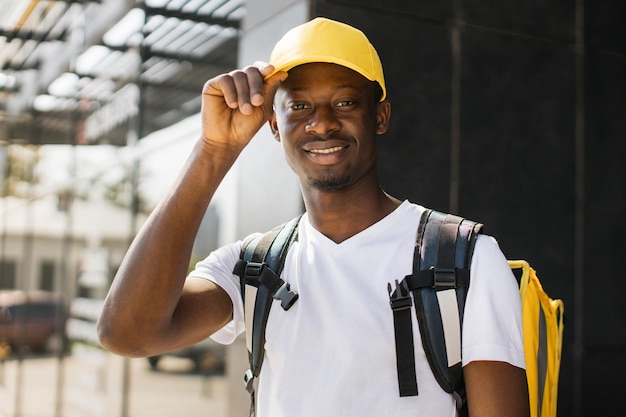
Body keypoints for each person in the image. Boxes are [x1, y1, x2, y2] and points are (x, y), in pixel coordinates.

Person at [97, 17, 529, 417]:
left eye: (344, 101)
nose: (322, 124)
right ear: (273, 125)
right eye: (299, 107)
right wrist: (214, 151)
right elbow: (127, 333)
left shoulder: (466, 259)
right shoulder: (255, 267)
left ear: (379, 115)